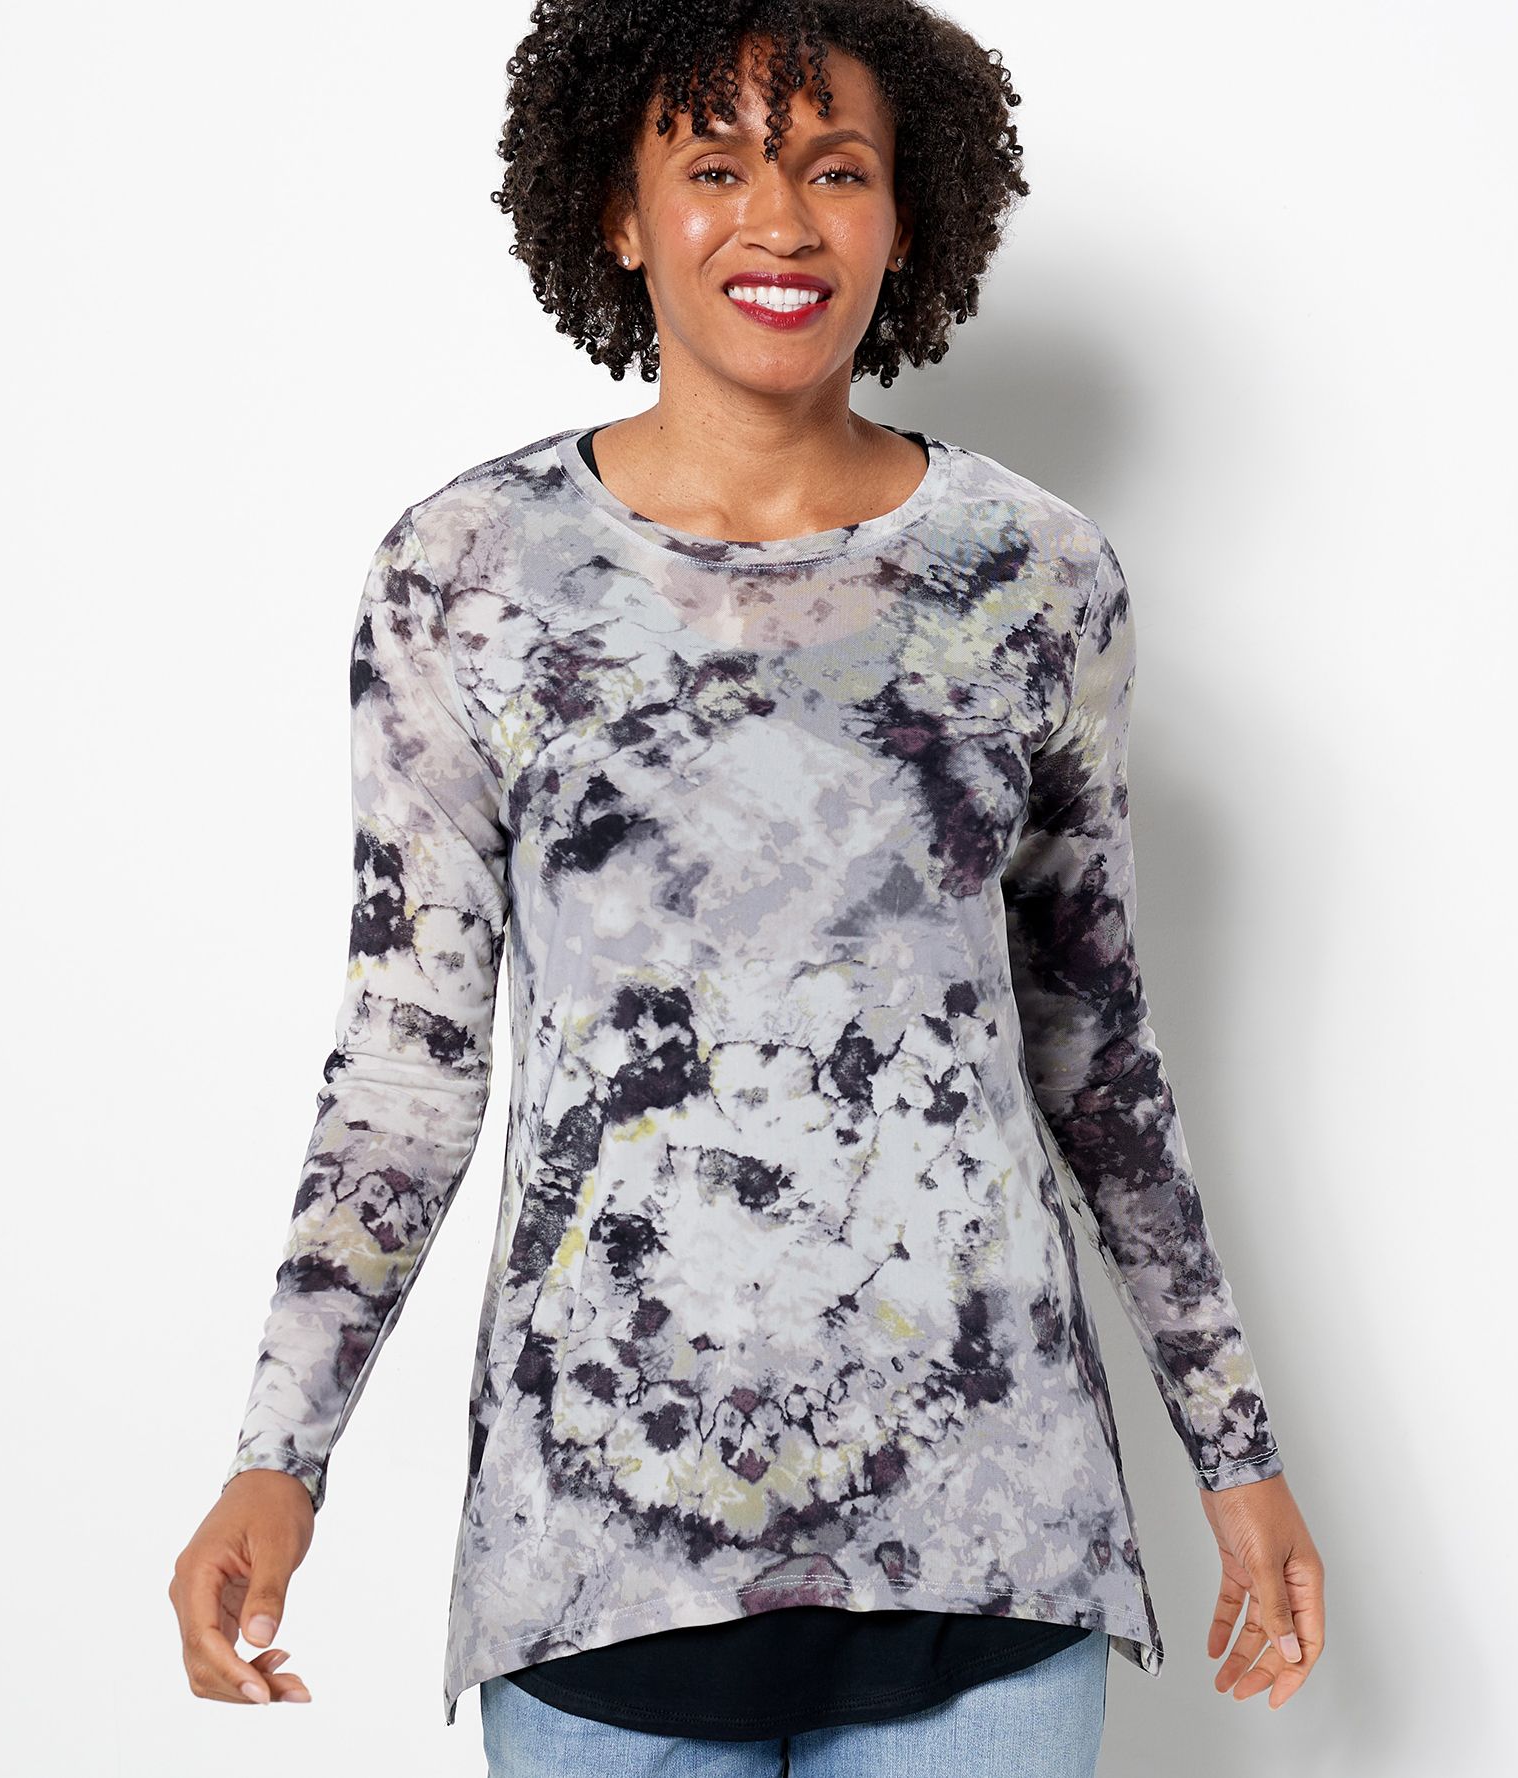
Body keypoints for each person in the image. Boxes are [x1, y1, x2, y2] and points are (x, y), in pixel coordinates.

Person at [167, 3, 1326, 1770]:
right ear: (619, 211)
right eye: (715, 166)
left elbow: (1095, 1055)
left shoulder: (1034, 576)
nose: (779, 221)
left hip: (989, 1532)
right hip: (600, 1556)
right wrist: (281, 1451)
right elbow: (408, 1061)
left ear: (906, 216)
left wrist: (1235, 1450)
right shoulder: (468, 576)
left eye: (836, 170)